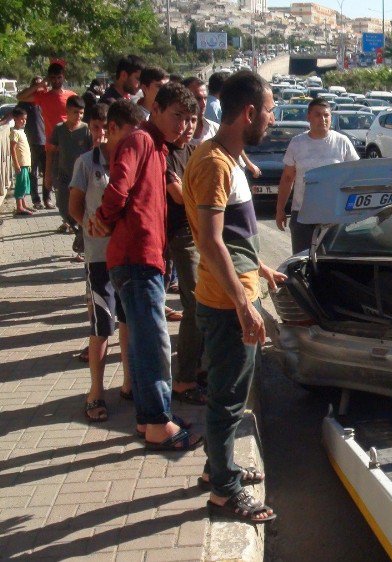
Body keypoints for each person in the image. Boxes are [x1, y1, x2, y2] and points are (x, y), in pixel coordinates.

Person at [183, 70, 283, 523]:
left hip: (238, 291)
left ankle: (216, 468)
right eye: (268, 109)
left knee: (231, 395)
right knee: (226, 399)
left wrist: (258, 268)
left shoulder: (230, 158)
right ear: (248, 113)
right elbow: (209, 241)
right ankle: (224, 494)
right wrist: (245, 307)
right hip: (227, 305)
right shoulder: (214, 164)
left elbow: (235, 237)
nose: (272, 117)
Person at [88, 82, 203, 451]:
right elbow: (118, 188)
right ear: (156, 110)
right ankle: (156, 422)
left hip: (144, 258)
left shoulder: (159, 148)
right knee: (154, 342)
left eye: (190, 120)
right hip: (135, 259)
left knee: (141, 343)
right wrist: (104, 218)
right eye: (177, 117)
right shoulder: (140, 141)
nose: (184, 126)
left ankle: (149, 417)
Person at [69, 101, 138, 421]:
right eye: (128, 133)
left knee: (127, 321)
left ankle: (128, 382)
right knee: (101, 325)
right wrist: (91, 225)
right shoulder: (86, 163)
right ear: (111, 129)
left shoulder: (134, 159)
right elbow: (75, 206)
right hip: (99, 256)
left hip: (129, 254)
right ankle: (95, 392)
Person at [276, 97, 359, 254]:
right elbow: (288, 178)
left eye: (326, 115)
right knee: (302, 261)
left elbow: (355, 176)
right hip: (302, 214)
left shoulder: (342, 142)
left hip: (333, 214)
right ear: (309, 117)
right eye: (318, 115)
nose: (323, 119)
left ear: (331, 117)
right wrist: (280, 209)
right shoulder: (297, 143)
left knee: (330, 262)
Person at [165, 107, 207, 405]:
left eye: (193, 121)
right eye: (183, 120)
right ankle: (183, 379)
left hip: (202, 232)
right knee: (194, 304)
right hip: (182, 235)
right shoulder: (164, 153)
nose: (188, 126)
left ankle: (200, 368)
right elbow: (179, 195)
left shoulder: (196, 150)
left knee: (206, 301)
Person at [16, 61, 77, 211]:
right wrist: (40, 84)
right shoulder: (43, 96)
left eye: (59, 77)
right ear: (49, 78)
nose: (56, 80)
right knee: (57, 184)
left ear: (64, 77)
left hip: (71, 145)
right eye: (53, 78)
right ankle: (65, 216)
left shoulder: (71, 96)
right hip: (52, 147)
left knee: (73, 183)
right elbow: (21, 96)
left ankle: (68, 220)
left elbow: (80, 118)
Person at [50, 95, 92, 250]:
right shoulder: (59, 129)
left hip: (81, 179)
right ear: (67, 111)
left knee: (80, 208)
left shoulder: (86, 129)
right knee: (62, 206)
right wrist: (48, 175)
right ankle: (76, 230)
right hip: (63, 176)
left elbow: (91, 151)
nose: (78, 116)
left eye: (81, 113)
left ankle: (82, 237)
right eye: (75, 112)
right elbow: (51, 152)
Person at [14, 78, 48, 209]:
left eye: (42, 84)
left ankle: (47, 199)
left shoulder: (45, 100)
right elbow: (16, 108)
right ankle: (36, 200)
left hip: (47, 141)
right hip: (31, 142)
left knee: (47, 172)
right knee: (32, 173)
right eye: (37, 84)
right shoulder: (25, 103)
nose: (40, 87)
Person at [9, 107, 34, 216]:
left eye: (25, 119)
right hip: (21, 164)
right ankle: (19, 207)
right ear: (15, 119)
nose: (24, 121)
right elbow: (12, 148)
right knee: (21, 186)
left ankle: (23, 204)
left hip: (26, 163)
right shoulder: (14, 132)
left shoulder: (21, 131)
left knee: (25, 185)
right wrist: (16, 164)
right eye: (21, 119)